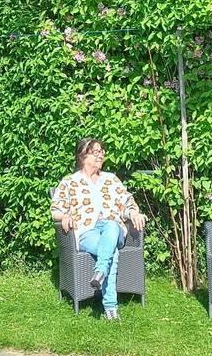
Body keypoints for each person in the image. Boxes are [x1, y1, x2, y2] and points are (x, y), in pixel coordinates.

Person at [51, 137, 147, 320]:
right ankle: (111, 309)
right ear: (82, 156)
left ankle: (101, 269)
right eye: (95, 152)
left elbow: (128, 202)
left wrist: (134, 213)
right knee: (110, 251)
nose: (100, 155)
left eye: (101, 151)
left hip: (114, 229)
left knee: (111, 225)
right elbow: (56, 209)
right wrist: (64, 216)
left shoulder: (111, 179)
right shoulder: (70, 182)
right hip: (86, 231)